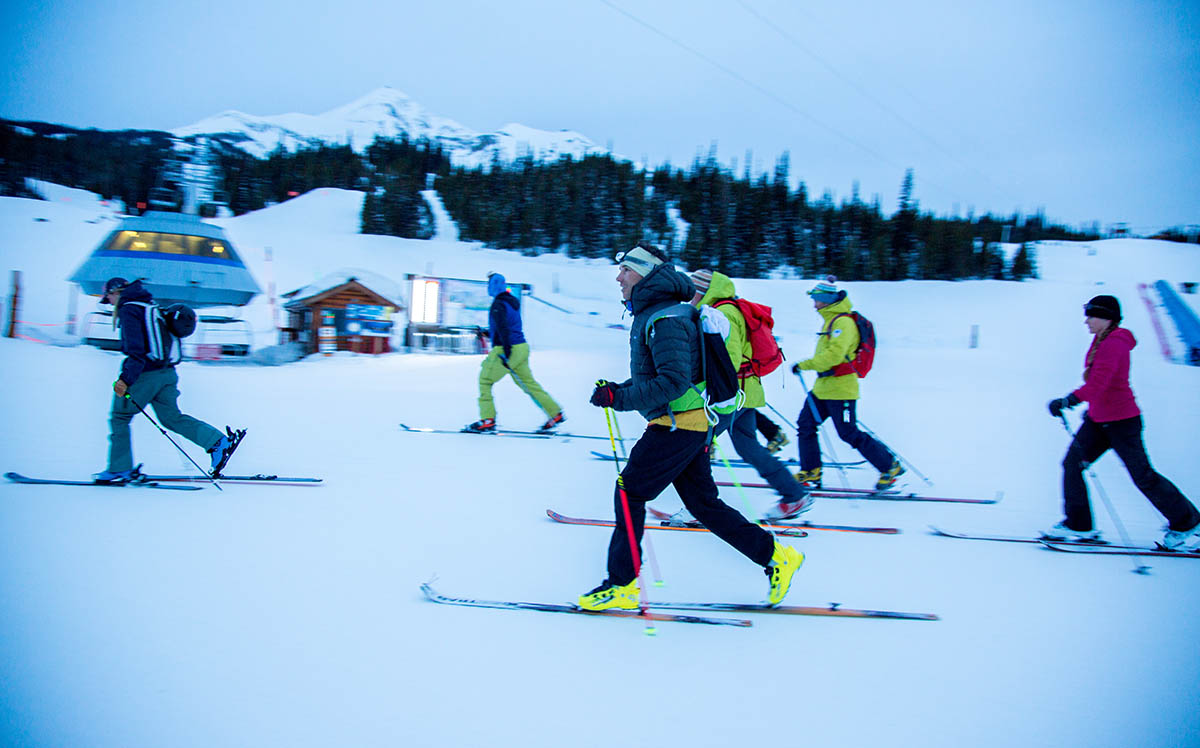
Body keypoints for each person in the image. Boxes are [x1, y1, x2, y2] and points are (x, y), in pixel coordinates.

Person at [578, 245, 803, 611]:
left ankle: (621, 583)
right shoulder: (662, 312)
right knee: (704, 505)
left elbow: (673, 383)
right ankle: (778, 556)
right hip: (688, 422)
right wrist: (619, 390)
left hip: (677, 424)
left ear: (646, 275)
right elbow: (665, 376)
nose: (619, 278)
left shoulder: (666, 318)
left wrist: (619, 399)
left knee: (629, 491)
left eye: (626, 271)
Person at [1044, 295, 1200, 550]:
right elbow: (1099, 386)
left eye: (1092, 315)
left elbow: (1098, 384)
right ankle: (1079, 526)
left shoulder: (1114, 344)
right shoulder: (1101, 339)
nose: (1087, 321)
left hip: (1122, 423)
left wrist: (1068, 400)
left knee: (1143, 476)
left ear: (1107, 318)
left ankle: (1188, 523)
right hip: (1098, 421)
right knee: (1072, 464)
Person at [690, 268, 812, 520]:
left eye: (692, 291)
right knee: (748, 448)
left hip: (731, 395)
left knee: (694, 444)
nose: (689, 296)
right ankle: (794, 495)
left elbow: (729, 359)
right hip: (744, 392)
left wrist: (707, 388)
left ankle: (699, 507)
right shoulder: (728, 308)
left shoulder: (723, 313)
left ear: (703, 291)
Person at [93, 277, 241, 482]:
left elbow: (136, 352)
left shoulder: (129, 310)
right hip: (167, 373)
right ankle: (217, 442)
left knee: (120, 417)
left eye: (108, 297)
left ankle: (119, 469)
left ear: (116, 292)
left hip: (146, 374)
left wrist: (125, 380)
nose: (108, 302)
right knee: (172, 418)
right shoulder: (149, 305)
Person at [792, 278, 902, 491]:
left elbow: (834, 355)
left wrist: (805, 364)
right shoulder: (830, 320)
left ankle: (889, 466)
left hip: (841, 390)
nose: (814, 305)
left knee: (848, 433)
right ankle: (811, 470)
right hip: (823, 389)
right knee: (806, 425)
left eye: (816, 300)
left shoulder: (843, 322)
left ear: (826, 299)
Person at [464, 272, 564, 433]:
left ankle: (487, 420)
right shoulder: (511, 302)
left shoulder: (498, 304)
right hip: (521, 347)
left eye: (489, 284)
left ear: (493, 286)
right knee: (529, 384)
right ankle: (555, 413)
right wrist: (487, 333)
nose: (487, 287)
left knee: (485, 380)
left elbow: (503, 329)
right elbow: (507, 327)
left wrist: (507, 351)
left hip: (507, 348)